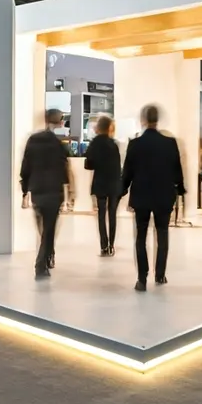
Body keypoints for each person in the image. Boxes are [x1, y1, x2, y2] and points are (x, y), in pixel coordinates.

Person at [121, 104, 185, 292]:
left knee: (141, 236)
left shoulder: (135, 144)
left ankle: (142, 279)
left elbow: (127, 174)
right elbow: (177, 171)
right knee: (162, 234)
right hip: (164, 196)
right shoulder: (170, 143)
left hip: (141, 196)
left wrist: (121, 191)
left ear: (142, 120)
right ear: (158, 120)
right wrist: (180, 190)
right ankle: (160, 274)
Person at [19, 108, 73, 279]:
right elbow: (64, 170)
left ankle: (47, 256)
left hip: (37, 190)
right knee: (49, 228)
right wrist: (69, 191)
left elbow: (25, 168)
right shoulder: (59, 144)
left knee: (43, 228)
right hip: (54, 191)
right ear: (59, 121)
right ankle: (42, 262)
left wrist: (25, 190)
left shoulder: (33, 140)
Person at [84, 115, 122, 256]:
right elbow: (118, 167)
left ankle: (103, 245)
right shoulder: (114, 144)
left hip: (100, 183)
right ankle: (112, 245)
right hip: (113, 184)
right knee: (112, 215)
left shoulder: (94, 143)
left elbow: (89, 164)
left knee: (101, 214)